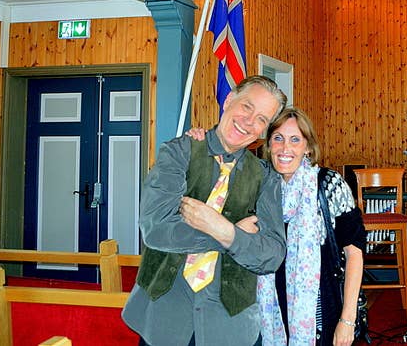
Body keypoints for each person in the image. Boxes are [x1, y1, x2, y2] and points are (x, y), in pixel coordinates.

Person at [122, 75, 288, 346]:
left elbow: (272, 255)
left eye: (261, 119)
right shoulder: (179, 152)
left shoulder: (266, 178)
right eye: (247, 107)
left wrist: (223, 230)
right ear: (229, 100)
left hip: (231, 326)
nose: (249, 122)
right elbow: (156, 228)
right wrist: (226, 235)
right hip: (165, 319)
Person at [190, 107, 366, 345]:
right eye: (278, 139)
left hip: (319, 311)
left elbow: (354, 253)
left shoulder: (329, 184)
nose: (285, 148)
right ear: (269, 145)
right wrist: (198, 142)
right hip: (267, 309)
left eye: (295, 140)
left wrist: (347, 320)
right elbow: (218, 169)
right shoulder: (258, 186)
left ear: (308, 147)